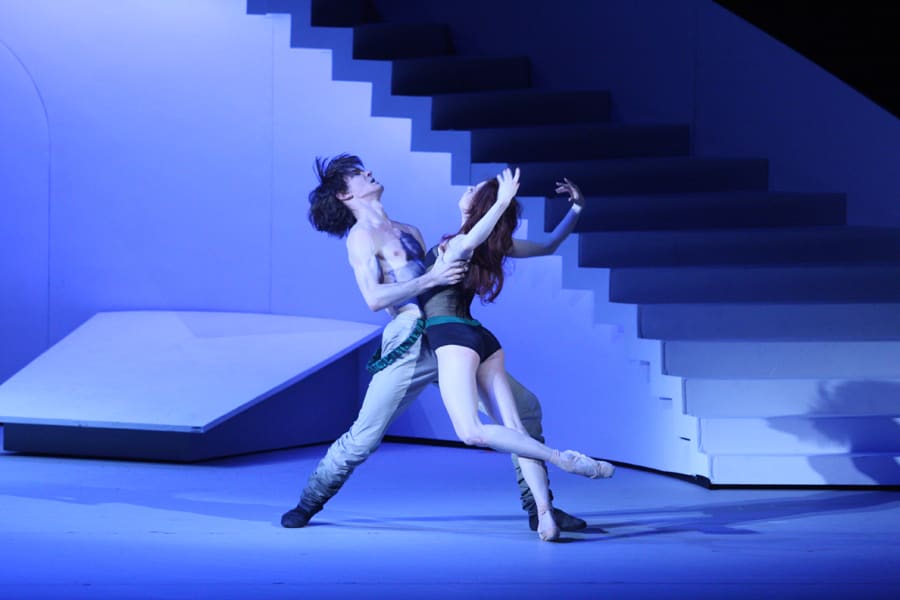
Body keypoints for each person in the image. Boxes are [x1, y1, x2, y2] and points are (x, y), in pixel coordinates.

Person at [281, 154, 597, 534]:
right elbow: (375, 298)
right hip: (411, 341)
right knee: (363, 437)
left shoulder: (409, 230)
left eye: (362, 169)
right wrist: (432, 279)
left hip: (449, 338)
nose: (367, 173)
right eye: (356, 175)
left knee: (525, 410)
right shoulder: (361, 237)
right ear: (345, 196)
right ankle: (309, 501)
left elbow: (450, 275)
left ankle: (540, 508)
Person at [418, 167, 614, 541]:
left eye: (473, 189)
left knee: (470, 431)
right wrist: (576, 209)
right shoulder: (495, 246)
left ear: (478, 206)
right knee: (517, 432)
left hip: (453, 338)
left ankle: (562, 459)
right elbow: (549, 246)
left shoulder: (457, 245)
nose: (467, 189)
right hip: (482, 340)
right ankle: (546, 518)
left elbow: (473, 236)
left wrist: (503, 201)